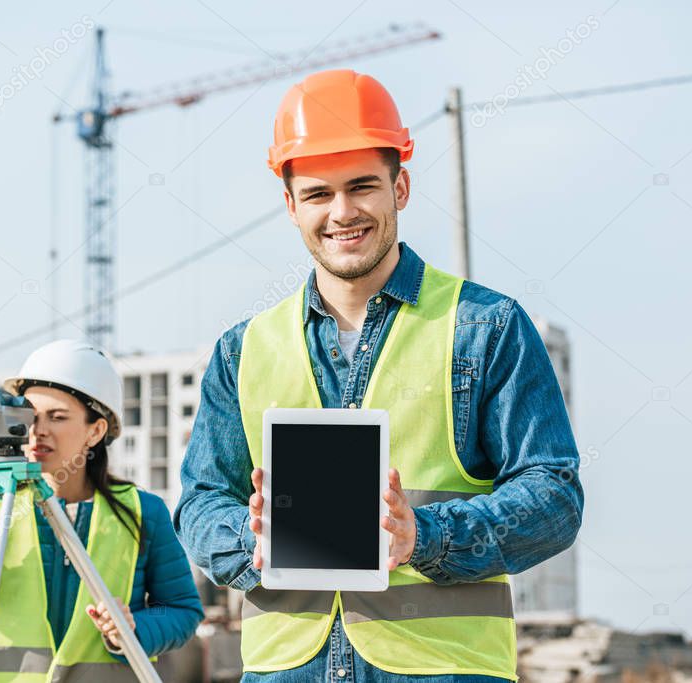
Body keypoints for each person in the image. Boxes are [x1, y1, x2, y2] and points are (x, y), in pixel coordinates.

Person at [174, 69, 584, 682]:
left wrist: (424, 536)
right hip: (288, 671)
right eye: (317, 194)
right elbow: (202, 502)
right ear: (290, 205)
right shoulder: (243, 350)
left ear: (402, 186)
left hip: (442, 670)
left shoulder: (484, 326)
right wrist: (250, 543)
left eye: (362, 186)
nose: (342, 213)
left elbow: (553, 497)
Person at [0, 339, 203, 682]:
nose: (37, 431)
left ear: (96, 430)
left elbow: (182, 610)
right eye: (30, 416)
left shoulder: (142, 511)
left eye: (57, 417)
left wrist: (135, 628)